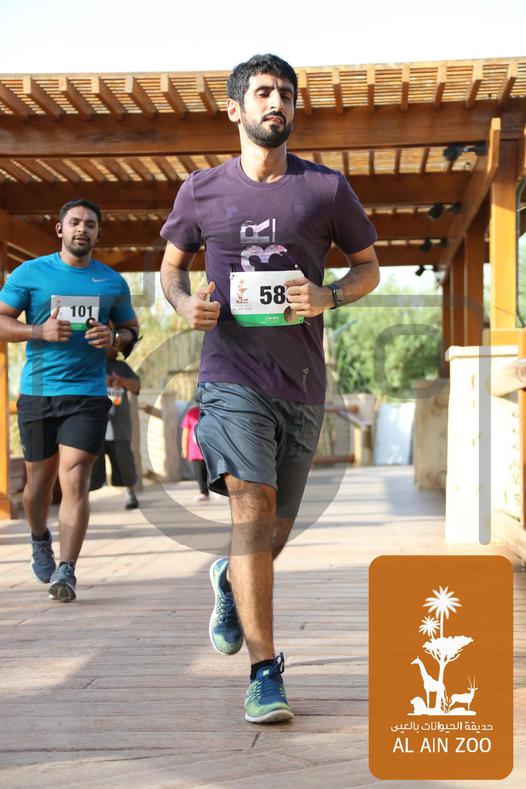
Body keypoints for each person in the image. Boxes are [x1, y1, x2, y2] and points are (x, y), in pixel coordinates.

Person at [160, 54, 379, 723]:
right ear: (235, 108)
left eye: (285, 92)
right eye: (262, 92)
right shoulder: (201, 190)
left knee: (271, 533)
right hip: (231, 376)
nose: (276, 101)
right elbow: (171, 270)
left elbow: (369, 268)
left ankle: (229, 579)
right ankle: (264, 671)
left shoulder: (325, 189)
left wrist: (329, 295)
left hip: (302, 382)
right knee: (252, 511)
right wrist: (184, 305)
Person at [0, 199, 139, 603]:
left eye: (90, 224)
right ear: (60, 229)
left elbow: (130, 331)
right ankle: (39, 538)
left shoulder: (111, 282)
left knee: (75, 478)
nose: (82, 229)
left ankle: (67, 569)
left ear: (98, 233)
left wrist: (114, 339)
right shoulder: (31, 273)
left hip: (88, 394)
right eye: (75, 222)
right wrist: (37, 332)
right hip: (39, 392)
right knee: (38, 484)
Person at [90, 345, 141, 510]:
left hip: (119, 428)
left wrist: (122, 381)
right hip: (94, 426)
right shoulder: (89, 363)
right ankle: (81, 499)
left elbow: (136, 385)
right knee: (89, 466)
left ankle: (130, 494)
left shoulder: (122, 367)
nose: (115, 348)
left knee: (124, 463)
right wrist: (101, 381)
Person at [181, 403, 209, 501]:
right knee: (200, 473)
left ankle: (216, 489)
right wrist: (185, 448)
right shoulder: (191, 412)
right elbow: (186, 431)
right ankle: (203, 492)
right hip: (196, 450)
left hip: (210, 449)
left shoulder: (212, 411)